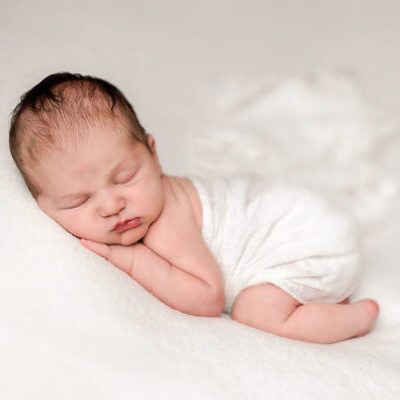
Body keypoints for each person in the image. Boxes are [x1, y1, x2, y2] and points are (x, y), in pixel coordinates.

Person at [9, 72, 379, 344]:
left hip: (309, 239)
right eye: (79, 200)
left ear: (153, 153)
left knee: (256, 312)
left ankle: (357, 317)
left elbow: (207, 296)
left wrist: (128, 260)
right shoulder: (128, 207)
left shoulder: (166, 218)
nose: (111, 205)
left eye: (124, 177)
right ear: (42, 205)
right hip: (306, 221)